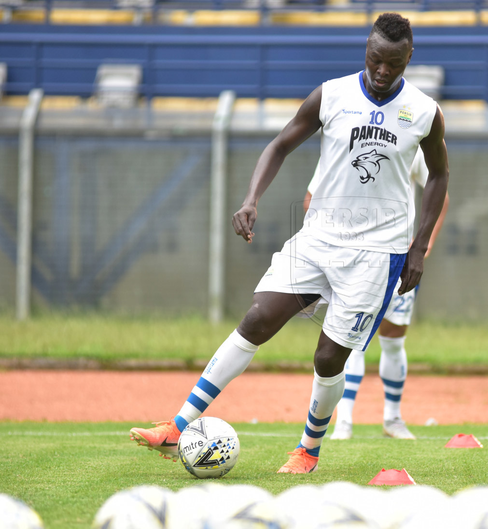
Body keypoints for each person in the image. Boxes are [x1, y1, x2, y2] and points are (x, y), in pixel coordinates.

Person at [129, 12, 449, 474]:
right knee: (258, 318)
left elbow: (439, 175)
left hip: (379, 254)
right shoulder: (332, 94)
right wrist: (251, 199)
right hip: (318, 237)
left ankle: (308, 450)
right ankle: (178, 426)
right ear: (366, 48)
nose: (382, 71)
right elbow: (279, 145)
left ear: (408, 58)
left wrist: (418, 248)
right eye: (375, 59)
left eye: (393, 64)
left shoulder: (423, 110)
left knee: (327, 356)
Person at [303, 149, 449, 440]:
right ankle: (343, 421)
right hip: (351, 262)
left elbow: (440, 189)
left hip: (395, 258)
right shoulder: (342, 140)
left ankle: (392, 419)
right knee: (351, 339)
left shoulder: (411, 139)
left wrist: (424, 245)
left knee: (394, 339)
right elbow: (311, 198)